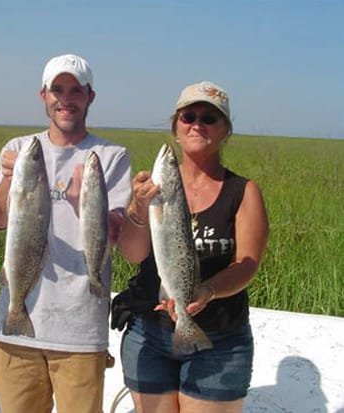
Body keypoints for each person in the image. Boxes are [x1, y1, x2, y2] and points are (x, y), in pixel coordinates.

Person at [0, 54, 132, 413]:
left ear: (89, 97)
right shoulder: (19, 149)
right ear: (43, 95)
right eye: (57, 90)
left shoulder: (111, 156)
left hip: (80, 330)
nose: (66, 99)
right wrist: (7, 178)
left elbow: (114, 236)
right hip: (15, 327)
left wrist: (86, 204)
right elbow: (1, 221)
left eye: (75, 90)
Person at [114, 81, 269, 413]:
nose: (197, 123)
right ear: (176, 126)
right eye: (188, 116)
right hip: (149, 333)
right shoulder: (150, 191)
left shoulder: (243, 191)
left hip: (221, 340)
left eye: (209, 118)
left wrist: (208, 290)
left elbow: (247, 262)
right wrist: (139, 210)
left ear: (225, 130)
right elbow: (133, 255)